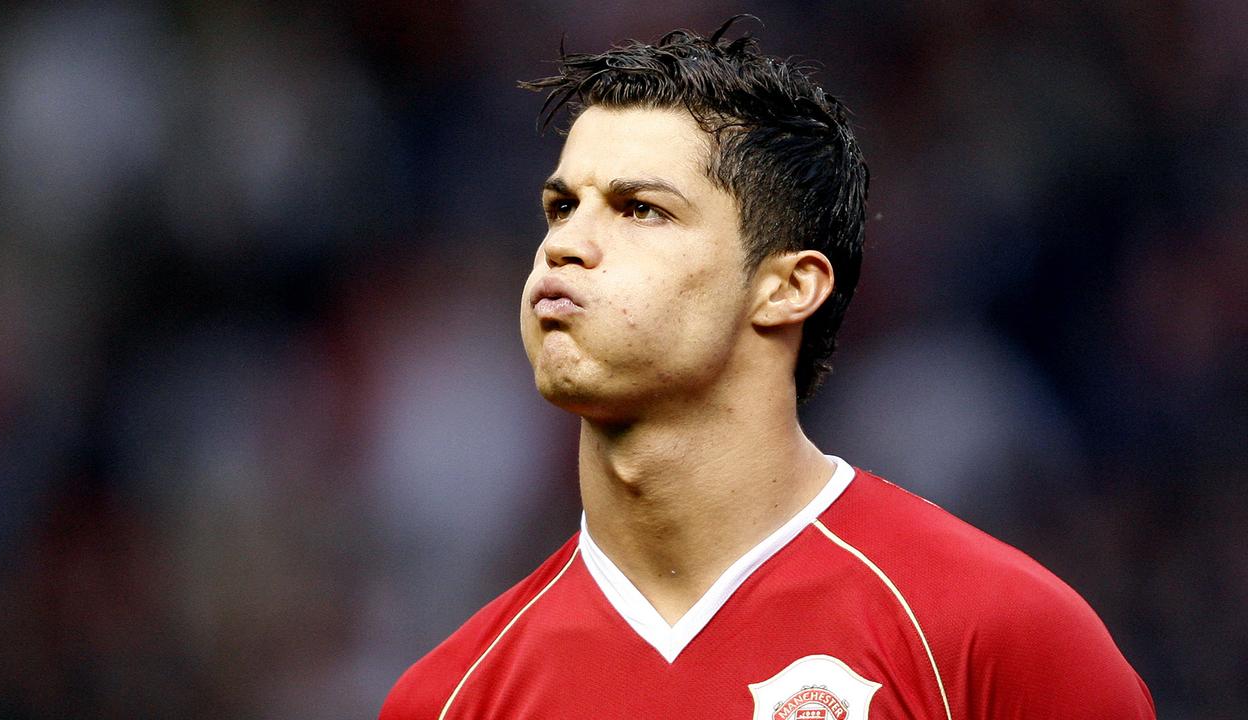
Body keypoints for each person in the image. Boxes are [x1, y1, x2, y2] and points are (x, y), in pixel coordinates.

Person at [380, 19, 1154, 719]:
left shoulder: (992, 637)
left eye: (640, 208)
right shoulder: (448, 698)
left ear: (788, 287)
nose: (564, 244)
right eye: (561, 207)